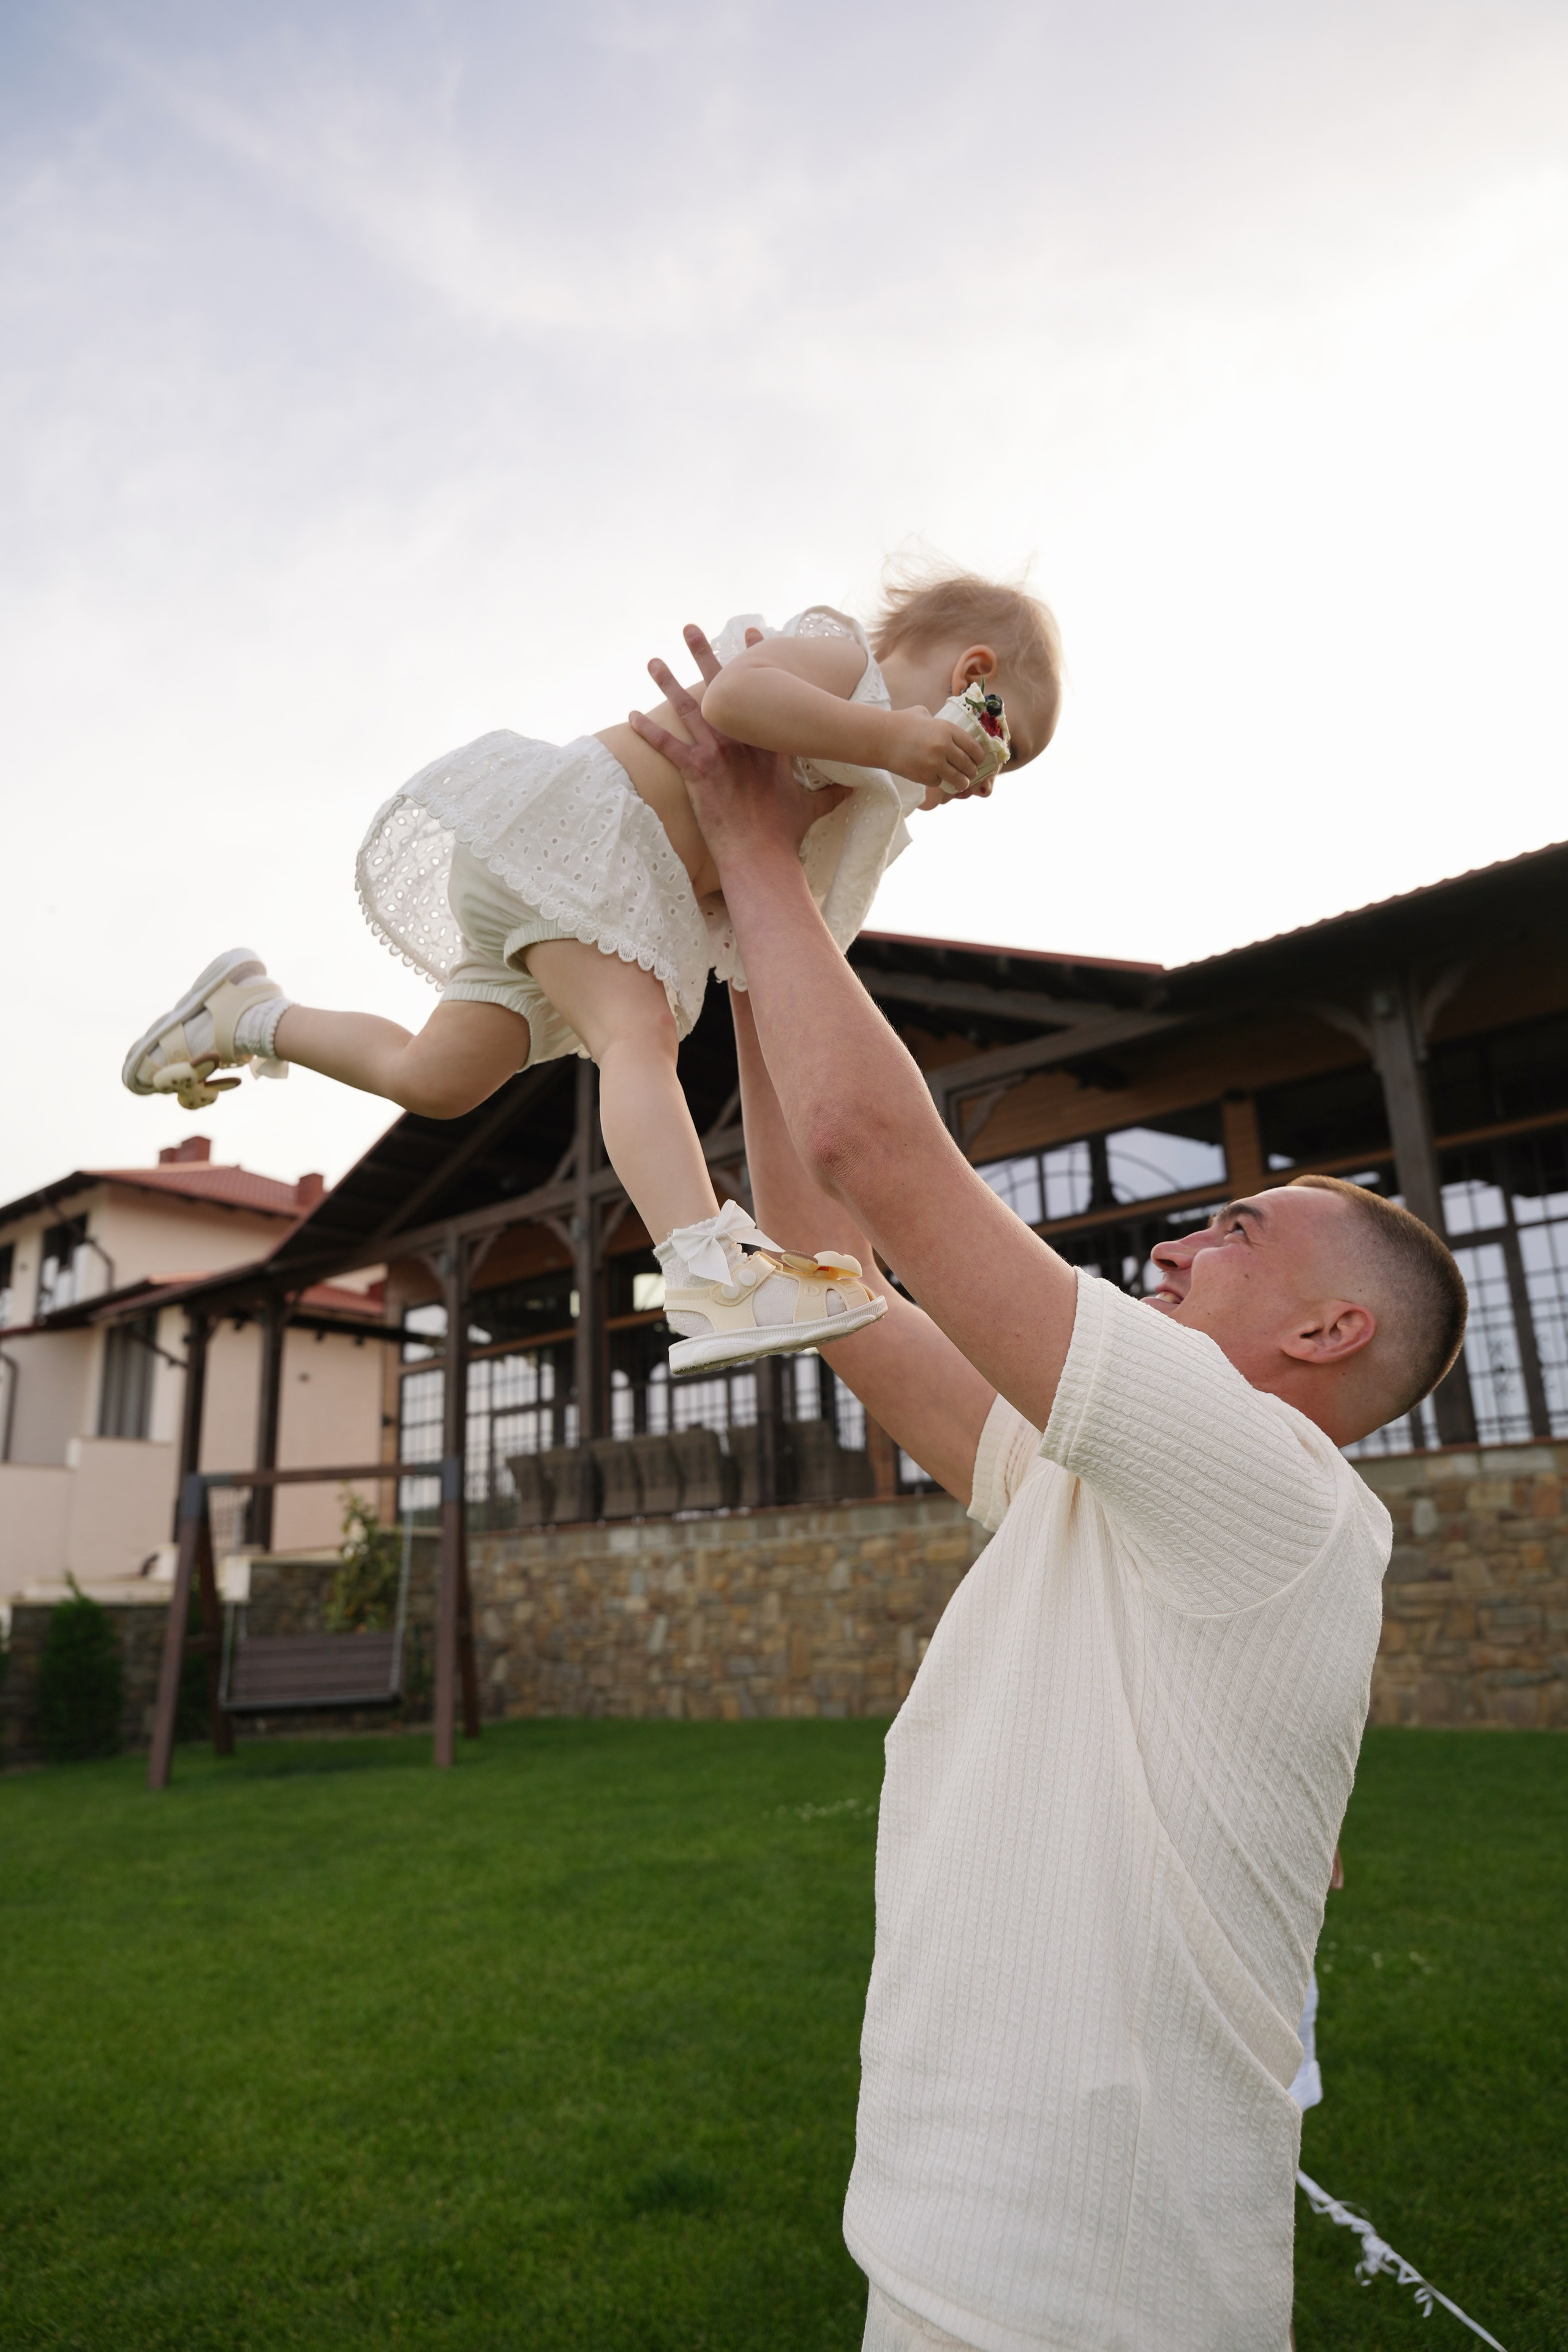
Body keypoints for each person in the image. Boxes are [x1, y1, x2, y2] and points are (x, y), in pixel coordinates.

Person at [628, 639, 1469, 2352]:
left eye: (1240, 1228)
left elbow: (883, 1158)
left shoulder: (1268, 1487)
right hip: (953, 2258)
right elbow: (832, 1269)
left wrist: (757, 839)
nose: (1182, 1236)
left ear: (1328, 1330)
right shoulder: (1115, 1493)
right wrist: (768, 937)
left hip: (1090, 2302)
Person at [119, 571, 1060, 1377]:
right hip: (577, 844)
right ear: (971, 675)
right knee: (636, 1035)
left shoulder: (863, 803)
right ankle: (704, 1274)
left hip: (589, 905)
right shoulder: (840, 661)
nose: (971, 782)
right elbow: (736, 702)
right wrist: (892, 739)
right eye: (995, 742)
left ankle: (248, 1014)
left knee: (435, 1080)